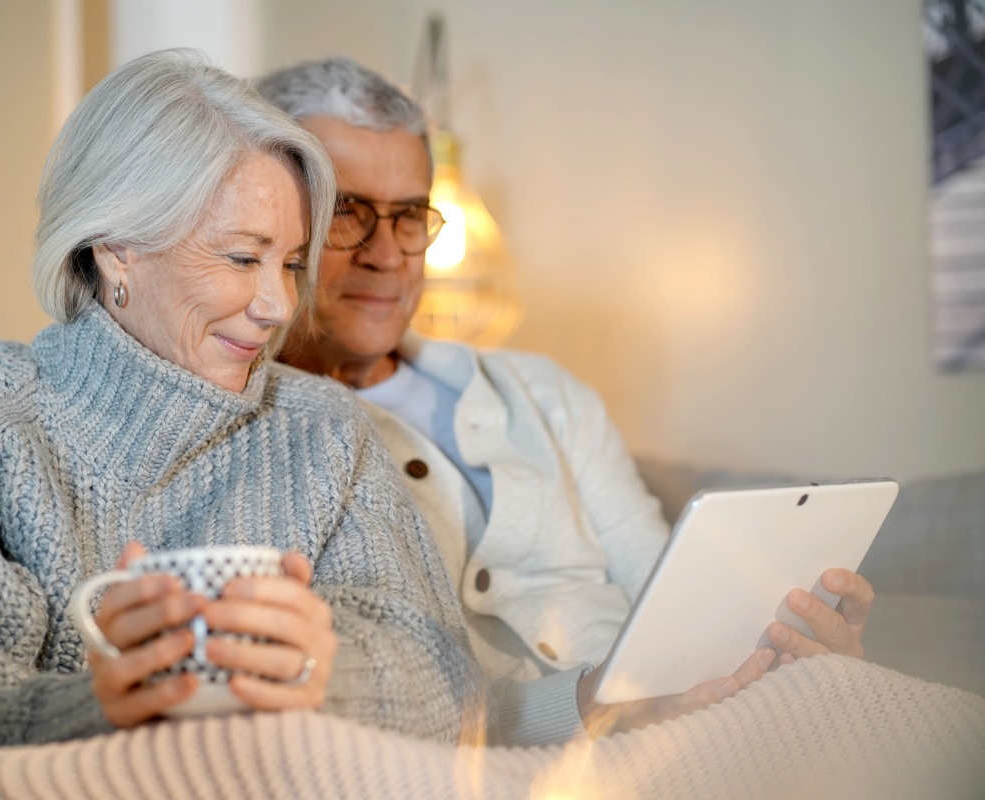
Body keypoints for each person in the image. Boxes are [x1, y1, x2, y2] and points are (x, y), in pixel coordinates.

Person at [0, 49, 481, 760]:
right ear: (117, 248)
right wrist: (98, 707)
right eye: (243, 258)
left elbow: (450, 681)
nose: (277, 307)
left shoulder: (325, 429)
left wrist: (327, 671)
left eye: (293, 264)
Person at [257, 57, 878, 745]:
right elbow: (374, 699)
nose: (386, 254)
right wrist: (596, 708)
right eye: (347, 212)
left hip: (693, 718)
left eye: (408, 217)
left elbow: (662, 584)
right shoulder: (263, 432)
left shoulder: (544, 393)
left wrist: (785, 643)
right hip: (528, 755)